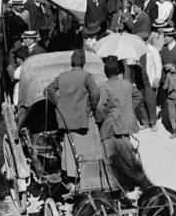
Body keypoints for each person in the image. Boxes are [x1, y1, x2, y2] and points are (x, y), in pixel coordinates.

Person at [45, 48, 105, 180]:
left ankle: (72, 176)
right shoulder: (86, 76)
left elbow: (48, 90)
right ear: (83, 63)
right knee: (89, 147)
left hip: (66, 121)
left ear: (72, 63)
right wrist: (92, 107)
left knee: (71, 148)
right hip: (83, 119)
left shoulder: (62, 76)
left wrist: (58, 105)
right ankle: (89, 174)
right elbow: (95, 93)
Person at [95, 55, 141, 163]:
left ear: (105, 72)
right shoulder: (127, 83)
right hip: (126, 126)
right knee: (127, 157)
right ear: (118, 71)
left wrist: (100, 120)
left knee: (112, 161)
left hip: (112, 128)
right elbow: (138, 96)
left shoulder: (104, 87)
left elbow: (99, 109)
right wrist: (127, 108)